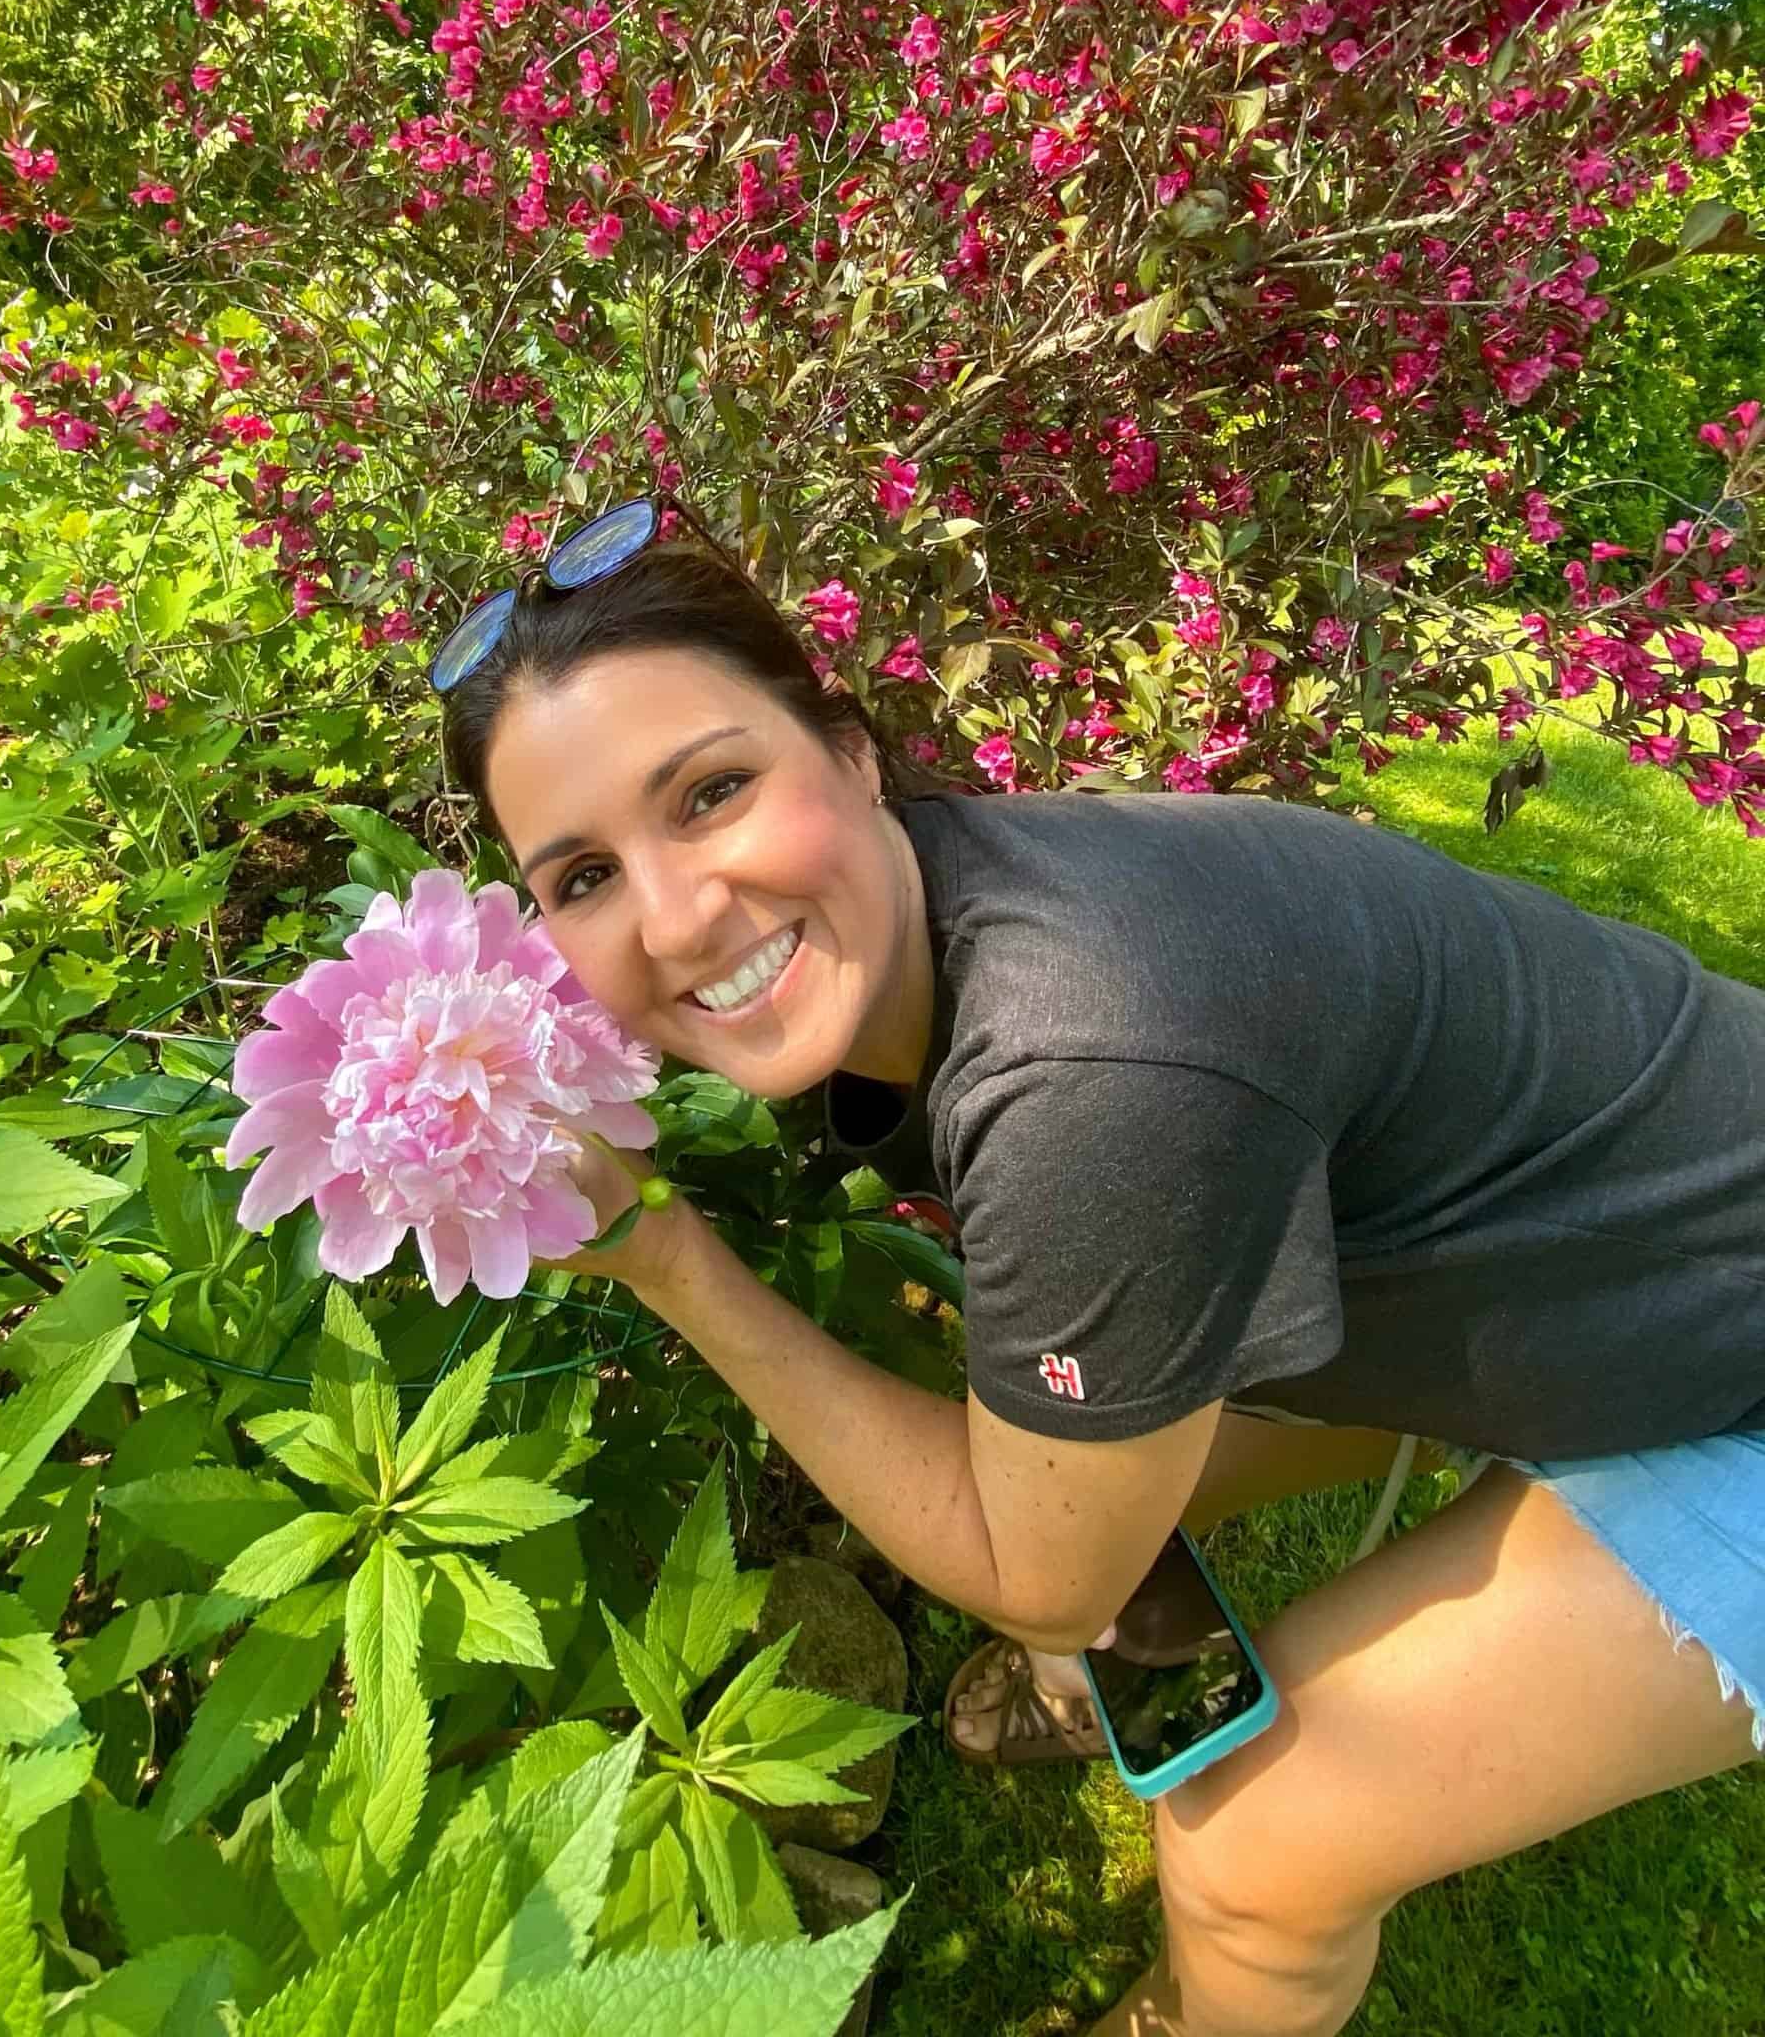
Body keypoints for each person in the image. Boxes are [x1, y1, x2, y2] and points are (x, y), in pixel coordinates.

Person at [436, 506, 1765, 2037]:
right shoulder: (962, 895)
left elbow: (1037, 1569)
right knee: (1094, 1452)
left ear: (852, 753)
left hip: (1736, 1350)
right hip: (1608, 1239)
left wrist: (667, 1259)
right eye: (584, 877)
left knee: (1257, 1844)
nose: (674, 919)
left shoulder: (1095, 1056)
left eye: (713, 791)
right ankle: (1142, 1661)